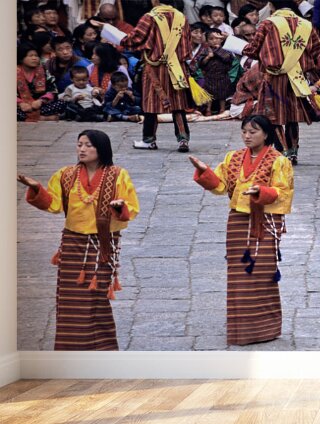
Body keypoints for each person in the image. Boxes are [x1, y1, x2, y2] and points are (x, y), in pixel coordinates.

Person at [17, 129, 139, 350]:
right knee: (69, 299)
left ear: (101, 148)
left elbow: (132, 207)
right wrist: (37, 189)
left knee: (96, 298)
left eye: (88, 145)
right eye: (79, 144)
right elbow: (54, 204)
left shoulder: (118, 175)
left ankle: (101, 349)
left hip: (102, 245)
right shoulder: (65, 174)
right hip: (72, 244)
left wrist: (120, 207)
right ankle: (70, 349)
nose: (82, 149)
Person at [190, 115, 294, 345]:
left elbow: (283, 192)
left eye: (253, 132)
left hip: (265, 222)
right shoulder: (233, 158)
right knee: (238, 275)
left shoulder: (279, 161)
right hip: (237, 221)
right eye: (244, 131)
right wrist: (204, 171)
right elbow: (220, 186)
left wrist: (261, 192)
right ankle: (241, 330)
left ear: (265, 134)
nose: (247, 136)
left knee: (261, 273)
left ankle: (265, 328)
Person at [223, 1, 320, 165]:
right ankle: (293, 152)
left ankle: (283, 152)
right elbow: (316, 50)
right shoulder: (306, 25)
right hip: (296, 76)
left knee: (273, 116)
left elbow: (253, 50)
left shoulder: (268, 24)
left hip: (273, 77)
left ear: (271, 6)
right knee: (292, 116)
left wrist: (231, 42)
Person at [91, 0, 194, 153]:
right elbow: (187, 46)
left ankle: (149, 140)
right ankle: (183, 140)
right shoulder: (181, 17)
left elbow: (132, 40)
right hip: (177, 67)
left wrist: (106, 29)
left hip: (154, 67)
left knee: (151, 105)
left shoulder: (150, 17)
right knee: (178, 104)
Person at [17, 43, 65, 122]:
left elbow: (53, 90)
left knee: (62, 103)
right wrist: (20, 103)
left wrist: (41, 101)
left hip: (40, 105)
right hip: (21, 107)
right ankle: (43, 118)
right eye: (30, 56)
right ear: (21, 59)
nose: (34, 58)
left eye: (36, 56)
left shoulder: (43, 70)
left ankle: (29, 118)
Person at [201, 29, 234, 116]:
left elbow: (228, 58)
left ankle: (222, 109)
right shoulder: (205, 51)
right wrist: (208, 57)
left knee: (222, 95)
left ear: (221, 39)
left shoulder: (225, 49)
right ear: (207, 41)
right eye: (211, 39)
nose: (214, 41)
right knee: (208, 94)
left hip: (222, 76)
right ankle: (208, 109)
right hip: (209, 76)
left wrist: (218, 50)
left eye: (216, 38)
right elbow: (201, 63)